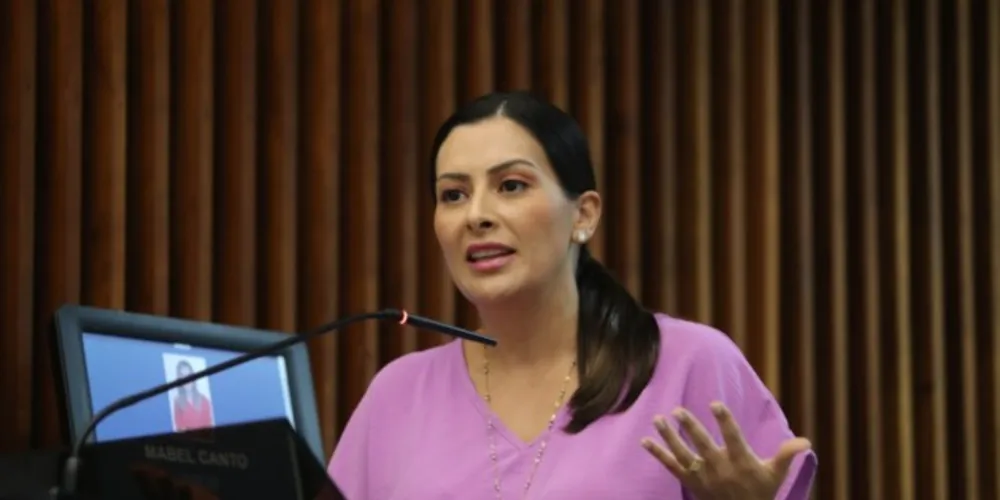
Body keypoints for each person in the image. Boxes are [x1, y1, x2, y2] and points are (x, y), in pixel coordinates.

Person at [327, 91, 817, 499]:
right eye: (453, 194)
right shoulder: (397, 395)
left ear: (583, 215)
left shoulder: (690, 363)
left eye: (511, 185)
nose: (475, 214)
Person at [171, 360, 215, 432]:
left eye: (189, 376)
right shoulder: (177, 402)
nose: (187, 380)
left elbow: (209, 426)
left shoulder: (204, 400)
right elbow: (179, 427)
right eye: (183, 376)